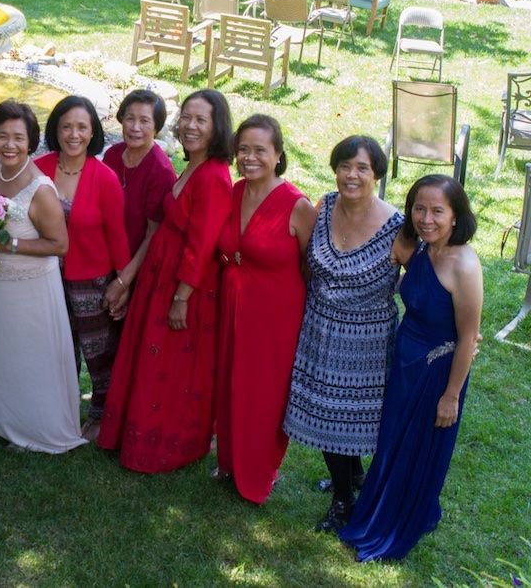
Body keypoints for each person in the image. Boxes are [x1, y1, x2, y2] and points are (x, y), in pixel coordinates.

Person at [340, 175, 482, 561]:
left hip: (436, 374)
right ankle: (377, 505)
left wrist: (450, 396)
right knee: (391, 442)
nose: (426, 218)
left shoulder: (464, 265)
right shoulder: (418, 247)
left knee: (415, 450)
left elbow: (469, 338)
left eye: (438, 211)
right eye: (419, 208)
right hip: (404, 362)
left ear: (456, 216)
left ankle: (397, 520)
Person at [98, 89, 233, 472]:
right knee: (150, 357)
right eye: (186, 117)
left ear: (216, 126)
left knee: (171, 366)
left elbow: (203, 242)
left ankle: (165, 444)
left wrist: (181, 296)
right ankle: (132, 428)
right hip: (162, 275)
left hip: (184, 284)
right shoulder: (193, 164)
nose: (190, 126)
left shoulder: (214, 176)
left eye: (200, 120)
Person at [282, 136, 404, 531]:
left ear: (378, 174)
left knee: (347, 417)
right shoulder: (325, 206)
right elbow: (304, 261)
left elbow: (423, 284)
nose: (352, 175)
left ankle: (343, 501)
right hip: (319, 328)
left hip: (365, 340)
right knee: (328, 415)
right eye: (345, 166)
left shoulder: (398, 228)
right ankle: (351, 480)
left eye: (362, 168)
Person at [215, 114, 316, 504]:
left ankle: (258, 473)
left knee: (263, 392)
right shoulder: (235, 191)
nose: (249, 157)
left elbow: (312, 267)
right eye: (243, 149)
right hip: (232, 303)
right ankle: (229, 461)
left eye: (260, 150)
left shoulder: (297, 205)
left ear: (278, 155)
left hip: (275, 316)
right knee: (230, 380)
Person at [0, 100, 86, 453]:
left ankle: (39, 428)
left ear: (31, 142)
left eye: (18, 138)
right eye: (2, 136)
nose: (9, 145)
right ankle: (6, 419)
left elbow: (60, 244)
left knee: (33, 358)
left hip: (32, 288)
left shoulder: (40, 189)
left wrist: (10, 244)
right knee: (5, 354)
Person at [34, 96, 131, 442]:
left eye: (81, 127)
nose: (73, 134)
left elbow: (117, 235)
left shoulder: (103, 177)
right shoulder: (40, 168)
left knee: (98, 351)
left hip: (91, 279)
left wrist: (121, 284)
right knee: (56, 348)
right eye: (66, 126)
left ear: (92, 133)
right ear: (55, 130)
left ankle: (101, 413)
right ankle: (59, 410)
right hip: (44, 277)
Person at [102, 89, 178, 317]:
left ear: (156, 127)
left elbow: (152, 234)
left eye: (144, 121)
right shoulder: (113, 155)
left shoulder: (160, 171)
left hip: (138, 268)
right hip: (105, 259)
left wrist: (124, 282)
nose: (135, 127)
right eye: (130, 118)